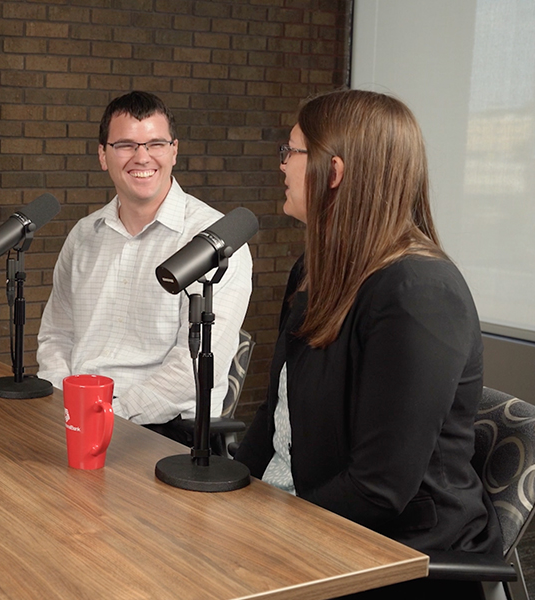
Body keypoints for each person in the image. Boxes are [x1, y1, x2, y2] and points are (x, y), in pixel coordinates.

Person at [234, 89, 501, 597]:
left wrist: (263, 529)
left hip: (394, 554)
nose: (283, 166)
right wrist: (227, 496)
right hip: (309, 518)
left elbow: (379, 491)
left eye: (291, 152)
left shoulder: (420, 292)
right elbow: (277, 414)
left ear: (332, 172)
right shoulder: (314, 269)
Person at [36, 91, 253, 439]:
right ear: (103, 156)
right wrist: (64, 403)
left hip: (166, 429)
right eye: (125, 145)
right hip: (75, 417)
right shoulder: (82, 237)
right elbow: (55, 337)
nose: (142, 157)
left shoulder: (214, 244)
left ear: (174, 151)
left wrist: (108, 416)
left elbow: (193, 370)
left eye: (156, 144)